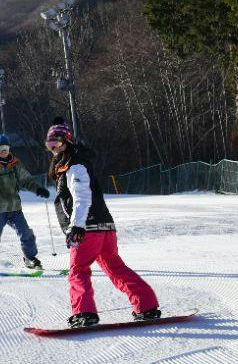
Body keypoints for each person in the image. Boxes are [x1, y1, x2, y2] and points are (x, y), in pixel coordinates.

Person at [44, 120, 161, 328]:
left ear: (67, 141)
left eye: (58, 143)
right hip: (105, 226)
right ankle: (146, 305)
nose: (54, 148)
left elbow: (81, 197)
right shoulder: (71, 163)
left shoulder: (75, 165)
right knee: (115, 267)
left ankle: (84, 313)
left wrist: (77, 226)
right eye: (50, 144)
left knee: (78, 269)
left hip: (87, 228)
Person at [0, 133, 50, 272]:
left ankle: (30, 258)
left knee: (26, 233)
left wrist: (38, 189)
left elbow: (26, 180)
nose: (4, 152)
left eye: (6, 149)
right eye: (1, 149)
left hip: (14, 207)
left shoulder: (15, 163)